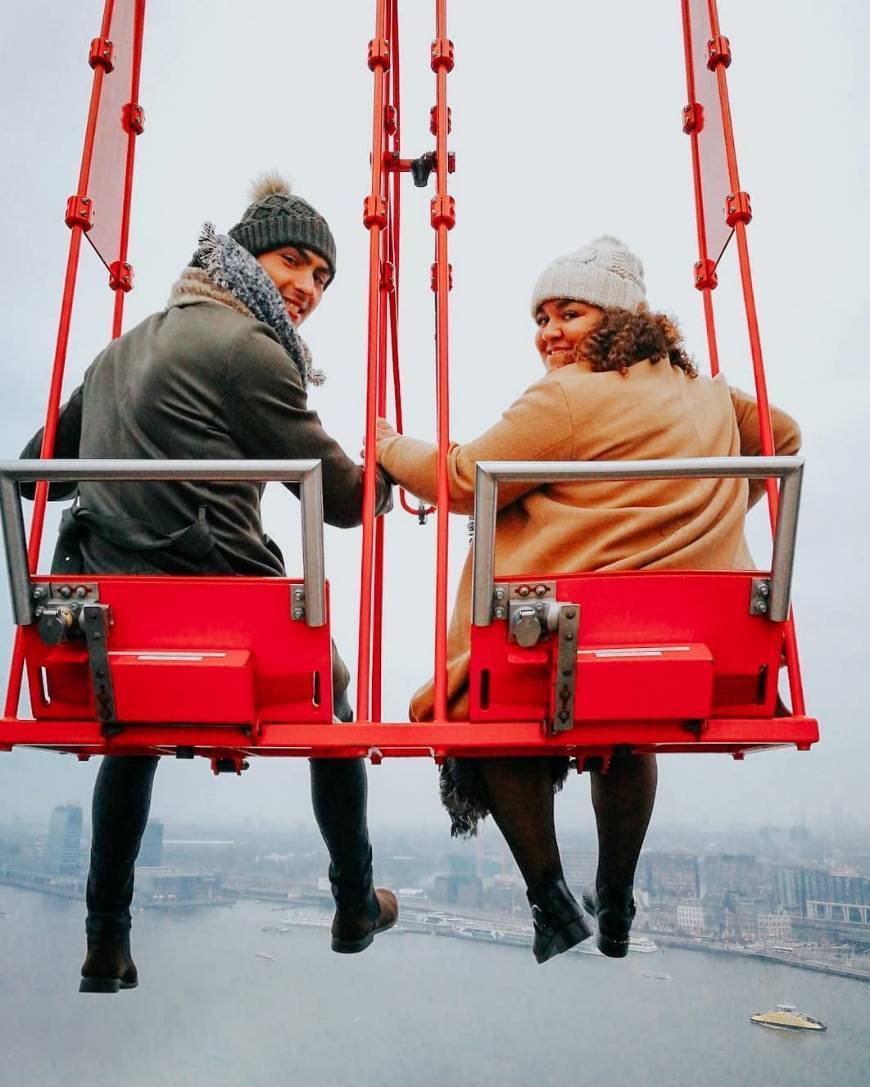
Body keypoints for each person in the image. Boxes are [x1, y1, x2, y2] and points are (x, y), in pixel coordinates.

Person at [376, 235, 801, 963]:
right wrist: (695, 510)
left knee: (490, 706)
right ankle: (617, 895)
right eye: (541, 317)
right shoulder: (709, 395)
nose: (549, 333)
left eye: (569, 313)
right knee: (626, 723)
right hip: (694, 650)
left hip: (561, 641)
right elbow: (784, 438)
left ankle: (550, 899)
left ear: (617, 319)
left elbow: (459, 476)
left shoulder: (569, 398)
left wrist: (383, 443)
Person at [22, 174, 398, 992]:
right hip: (229, 625)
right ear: (245, 255)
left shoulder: (118, 350)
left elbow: (33, 469)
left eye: (323, 278)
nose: (307, 287)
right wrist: (394, 467)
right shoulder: (248, 350)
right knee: (330, 694)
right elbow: (338, 500)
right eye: (294, 261)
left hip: (104, 629)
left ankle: (106, 937)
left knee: (134, 728)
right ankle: (352, 900)